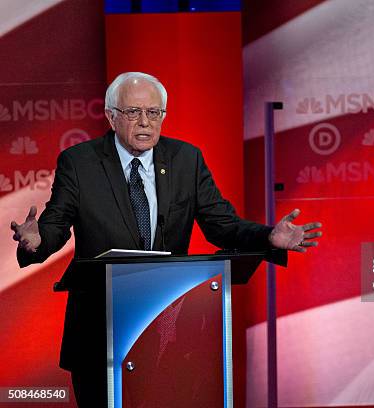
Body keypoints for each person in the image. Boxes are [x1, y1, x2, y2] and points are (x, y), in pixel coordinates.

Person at [10, 72, 322, 406]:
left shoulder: (186, 159)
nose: (144, 122)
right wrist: (37, 241)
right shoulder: (80, 162)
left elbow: (222, 225)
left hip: (168, 329)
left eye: (153, 113)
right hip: (100, 333)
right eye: (133, 113)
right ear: (111, 115)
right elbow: (56, 224)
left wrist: (268, 237)